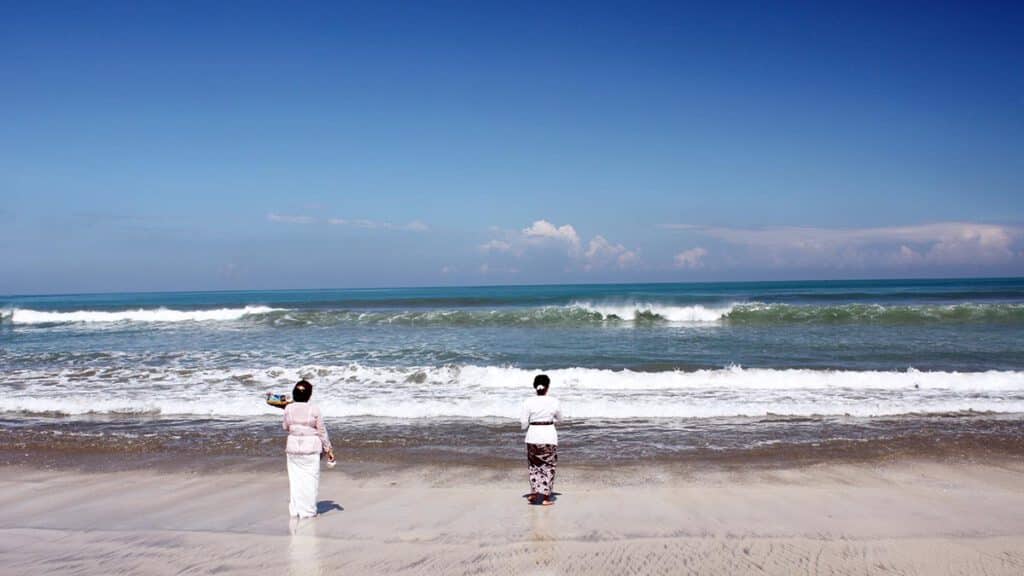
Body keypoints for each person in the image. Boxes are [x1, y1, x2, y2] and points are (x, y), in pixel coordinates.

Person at [282, 379, 335, 518]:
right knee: (310, 480)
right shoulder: (314, 409)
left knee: (295, 480)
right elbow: (322, 431)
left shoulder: (288, 408)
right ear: (309, 395)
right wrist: (328, 449)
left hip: (293, 447)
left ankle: (295, 510)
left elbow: (285, 427)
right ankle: (309, 511)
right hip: (310, 448)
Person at [520, 374, 562, 506]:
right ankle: (544, 497)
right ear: (547, 387)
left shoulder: (528, 402)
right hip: (549, 436)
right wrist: (550, 420)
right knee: (548, 466)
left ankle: (534, 493)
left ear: (535, 387)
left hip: (532, 437)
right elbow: (561, 419)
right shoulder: (554, 401)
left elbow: (523, 424)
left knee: (534, 465)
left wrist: (532, 423)